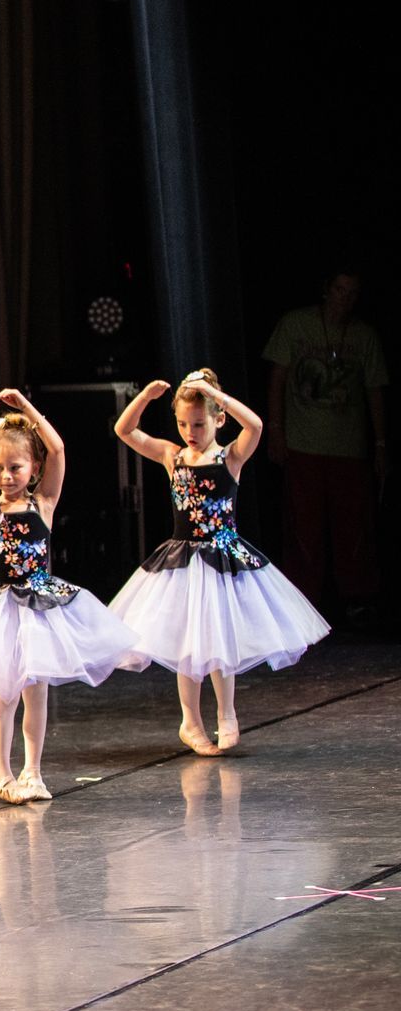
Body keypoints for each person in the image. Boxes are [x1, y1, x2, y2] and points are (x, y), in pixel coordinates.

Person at [0, 391, 142, 804]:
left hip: (39, 608)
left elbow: (58, 448)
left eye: (15, 467)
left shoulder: (44, 502)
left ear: (33, 467)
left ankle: (33, 772)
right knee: (6, 695)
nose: (6, 476)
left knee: (37, 694)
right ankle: (1, 775)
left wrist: (27, 411)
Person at [109, 371, 328, 753]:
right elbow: (124, 430)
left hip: (221, 559)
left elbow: (256, 425)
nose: (189, 432)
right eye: (182, 424)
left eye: (198, 424)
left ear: (219, 419)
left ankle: (227, 715)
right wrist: (144, 397)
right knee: (187, 644)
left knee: (218, 641)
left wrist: (216, 395)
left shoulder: (231, 457)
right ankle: (190, 721)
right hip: (182, 562)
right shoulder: (173, 456)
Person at [263, 268, 390, 613]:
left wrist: (380, 444)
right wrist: (275, 429)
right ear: (326, 290)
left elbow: (375, 390)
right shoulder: (296, 324)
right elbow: (277, 378)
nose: (344, 299)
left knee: (353, 525)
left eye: (352, 293)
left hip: (349, 446)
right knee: (304, 526)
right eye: (339, 290)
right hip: (303, 443)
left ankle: (356, 599)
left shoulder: (364, 336)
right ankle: (303, 599)